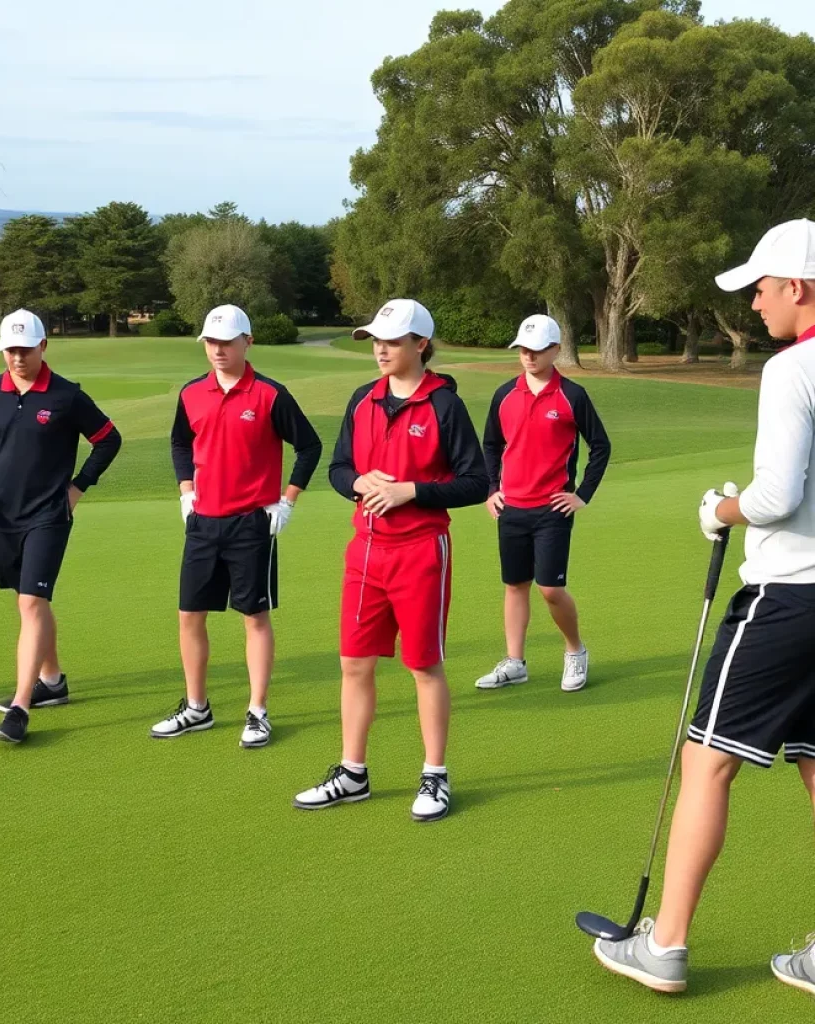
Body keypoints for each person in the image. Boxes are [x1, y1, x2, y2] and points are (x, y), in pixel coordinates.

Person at [592, 218, 815, 996]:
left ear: (798, 288)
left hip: (788, 597)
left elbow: (778, 497)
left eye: (761, 287)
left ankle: (666, 946)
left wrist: (720, 509)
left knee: (708, 759)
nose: (754, 303)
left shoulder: (793, 371)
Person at [293, 299, 488, 822]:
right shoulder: (363, 400)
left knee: (424, 665)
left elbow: (475, 482)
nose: (380, 348)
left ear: (420, 344)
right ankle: (352, 772)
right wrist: (357, 482)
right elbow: (337, 469)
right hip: (365, 552)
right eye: (375, 340)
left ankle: (434, 775)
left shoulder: (446, 407)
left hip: (422, 551)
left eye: (392, 340)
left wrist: (412, 491)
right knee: (353, 664)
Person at [152, 304, 322, 749]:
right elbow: (179, 442)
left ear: (248, 341)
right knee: (190, 616)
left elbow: (309, 446)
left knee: (254, 617)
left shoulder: (270, 394)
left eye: (227, 342)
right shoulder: (191, 393)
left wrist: (287, 501)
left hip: (252, 523)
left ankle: (258, 711)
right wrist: (185, 489)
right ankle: (196, 708)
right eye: (211, 342)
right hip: (203, 522)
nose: (218, 350)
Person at [0, 309, 122, 744]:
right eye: (10, 350)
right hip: (3, 514)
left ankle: (20, 706)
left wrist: (77, 489)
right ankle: (52, 682)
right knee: (27, 601)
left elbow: (109, 438)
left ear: (43, 347)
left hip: (49, 515)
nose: (17, 358)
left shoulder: (66, 396)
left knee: (31, 603)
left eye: (25, 349)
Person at [475, 315, 610, 693]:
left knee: (549, 588)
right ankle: (515, 662)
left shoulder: (572, 396)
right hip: (511, 507)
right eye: (523, 349)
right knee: (515, 585)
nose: (528, 356)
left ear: (555, 350)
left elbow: (600, 446)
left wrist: (581, 494)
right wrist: (491, 489)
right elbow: (490, 445)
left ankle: (575, 651)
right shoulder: (504, 394)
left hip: (553, 509)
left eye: (536, 350)